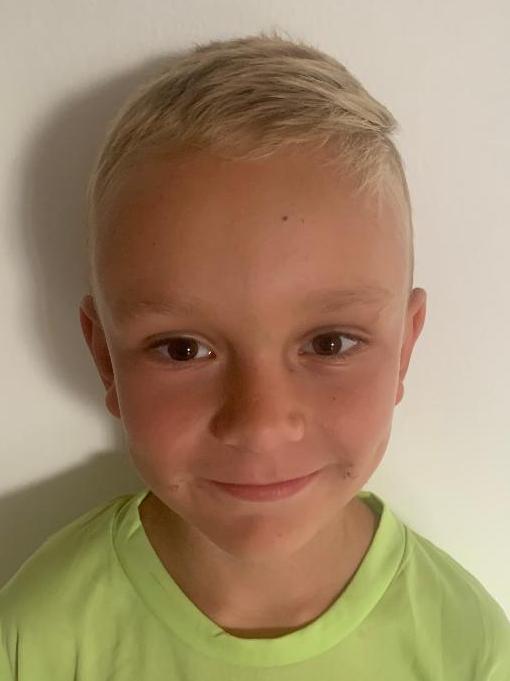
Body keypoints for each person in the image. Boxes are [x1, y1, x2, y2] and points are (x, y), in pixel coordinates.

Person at [1, 30, 508, 680]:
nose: (261, 423)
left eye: (330, 343)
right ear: (106, 359)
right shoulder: (40, 638)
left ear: (404, 349)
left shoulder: (466, 651)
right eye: (183, 349)